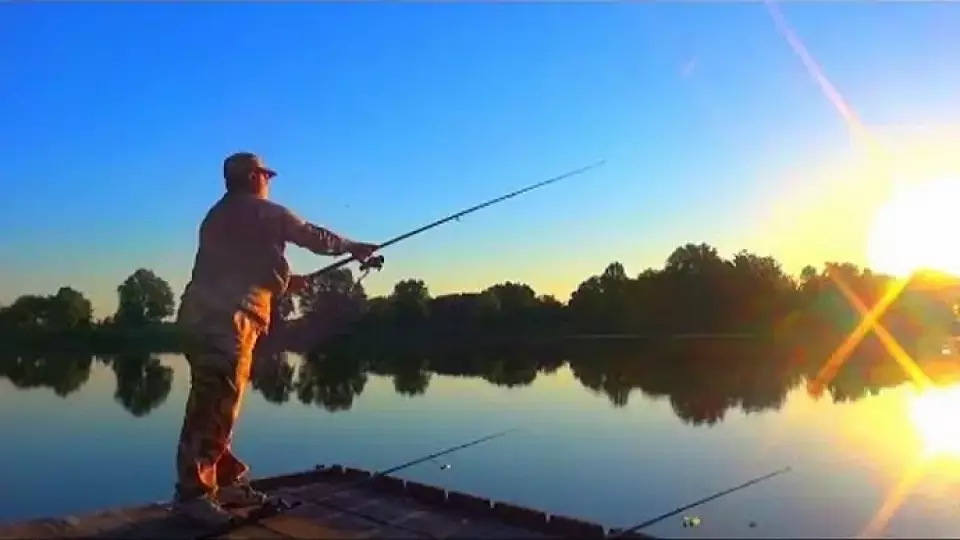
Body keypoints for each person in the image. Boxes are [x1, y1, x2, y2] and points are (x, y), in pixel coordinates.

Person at [173, 152, 378, 525]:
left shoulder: (219, 216)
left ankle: (223, 480)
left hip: (203, 317)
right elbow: (314, 237)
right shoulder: (260, 210)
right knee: (215, 403)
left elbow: (244, 268)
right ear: (253, 177)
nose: (269, 181)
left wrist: (284, 284)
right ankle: (194, 495)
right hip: (225, 320)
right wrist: (354, 247)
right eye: (266, 174)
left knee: (219, 401)